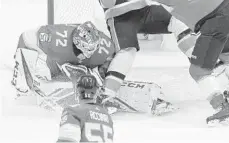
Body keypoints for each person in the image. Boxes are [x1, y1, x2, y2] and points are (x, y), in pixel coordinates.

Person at [87, 0, 229, 124]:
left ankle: (222, 109)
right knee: (227, 54)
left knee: (198, 70)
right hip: (228, 6)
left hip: (214, 20)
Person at [11, 20, 174, 115]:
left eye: (91, 50)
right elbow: (25, 38)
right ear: (76, 43)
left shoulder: (104, 46)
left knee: (95, 74)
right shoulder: (55, 42)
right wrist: (20, 70)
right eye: (85, 50)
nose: (88, 54)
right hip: (46, 55)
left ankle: (94, 90)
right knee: (39, 79)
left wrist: (105, 78)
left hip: (76, 61)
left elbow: (112, 61)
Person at [57, 74, 114, 143]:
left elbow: (67, 140)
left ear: (77, 92)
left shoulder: (73, 112)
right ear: (96, 93)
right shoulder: (107, 116)